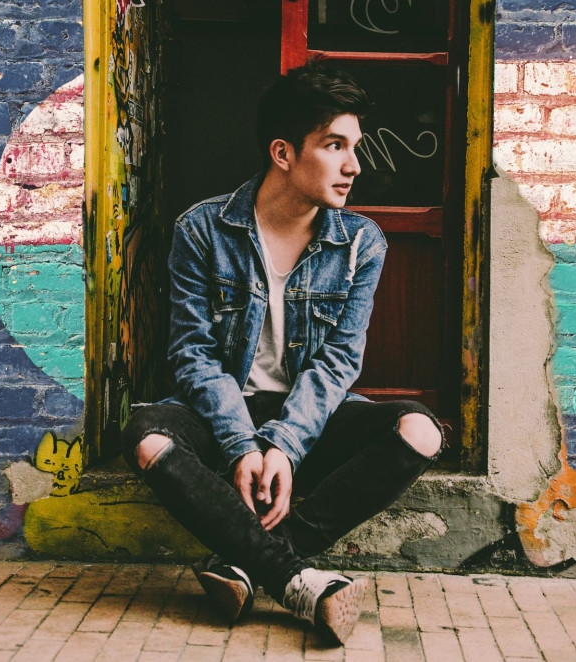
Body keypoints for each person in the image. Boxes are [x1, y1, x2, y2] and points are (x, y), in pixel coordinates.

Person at [121, 60, 443, 645]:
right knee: (147, 438)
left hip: (307, 421)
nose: (354, 165)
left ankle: (249, 563)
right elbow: (193, 354)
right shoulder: (202, 230)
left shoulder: (361, 242)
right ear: (283, 153)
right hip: (225, 416)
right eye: (335, 145)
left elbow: (339, 362)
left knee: (420, 431)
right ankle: (296, 580)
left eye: (355, 147)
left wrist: (286, 447)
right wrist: (242, 444)